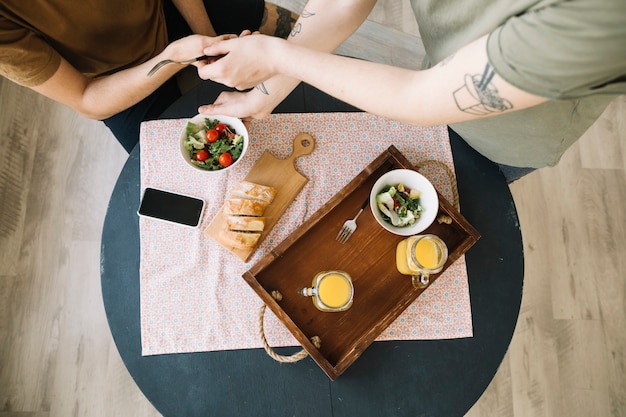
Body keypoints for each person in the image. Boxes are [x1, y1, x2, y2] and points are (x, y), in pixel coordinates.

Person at [194, 0, 626, 182]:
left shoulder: (604, 18)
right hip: (440, 73)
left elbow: (421, 98)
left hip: (514, 129)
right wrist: (264, 92)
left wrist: (277, 57)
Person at [0, 0, 298, 153]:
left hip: (174, 10)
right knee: (171, 171)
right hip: (117, 78)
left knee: (292, 31)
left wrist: (205, 36)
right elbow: (86, 99)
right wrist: (173, 57)